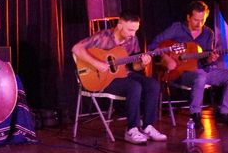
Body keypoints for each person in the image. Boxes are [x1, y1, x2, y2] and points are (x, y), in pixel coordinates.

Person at [71, 11, 166, 145]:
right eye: (130, 30)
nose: (133, 34)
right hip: (104, 79)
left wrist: (143, 63)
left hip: (123, 74)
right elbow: (76, 48)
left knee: (153, 84)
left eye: (136, 30)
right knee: (134, 86)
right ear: (120, 25)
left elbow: (135, 67)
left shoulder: (133, 39)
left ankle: (148, 126)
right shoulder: (103, 37)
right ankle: (132, 129)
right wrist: (97, 63)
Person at [151, 0, 228, 130]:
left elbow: (206, 61)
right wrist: (165, 58)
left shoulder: (208, 33)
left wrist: (210, 59)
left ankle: (222, 114)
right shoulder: (177, 29)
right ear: (188, 17)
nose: (199, 24)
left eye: (202, 20)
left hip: (202, 70)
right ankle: (195, 115)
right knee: (200, 77)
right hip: (180, 72)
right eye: (195, 20)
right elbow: (153, 45)